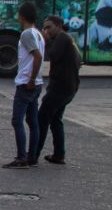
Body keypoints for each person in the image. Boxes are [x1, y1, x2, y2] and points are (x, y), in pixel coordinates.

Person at [34, 15, 81, 165]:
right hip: (69, 88)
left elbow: (52, 55)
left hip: (59, 88)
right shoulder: (68, 39)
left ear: (59, 26)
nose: (46, 30)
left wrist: (45, 40)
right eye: (44, 27)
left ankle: (33, 155)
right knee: (55, 120)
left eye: (49, 27)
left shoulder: (62, 38)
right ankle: (59, 154)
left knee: (42, 119)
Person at [4, 2, 45, 169]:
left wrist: (31, 78)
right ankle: (32, 156)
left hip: (27, 84)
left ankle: (22, 158)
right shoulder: (38, 33)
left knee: (17, 121)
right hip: (37, 84)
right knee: (33, 122)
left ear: (21, 16)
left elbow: (37, 56)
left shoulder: (27, 34)